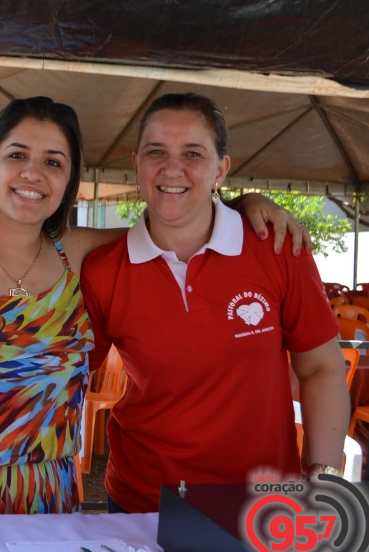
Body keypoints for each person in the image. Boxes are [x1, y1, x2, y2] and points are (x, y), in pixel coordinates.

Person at [0, 96, 310, 549]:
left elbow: (181, 221)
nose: (33, 173)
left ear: (68, 181)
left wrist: (241, 202)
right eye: (17, 155)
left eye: (53, 162)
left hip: (47, 500)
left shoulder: (79, 256)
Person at [80, 92, 348, 514]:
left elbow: (321, 368)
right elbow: (65, 380)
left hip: (265, 505)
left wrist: (326, 478)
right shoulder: (102, 270)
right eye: (156, 152)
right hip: (143, 503)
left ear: (221, 169)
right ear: (136, 165)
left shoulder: (278, 247)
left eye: (193, 153)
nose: (172, 169)